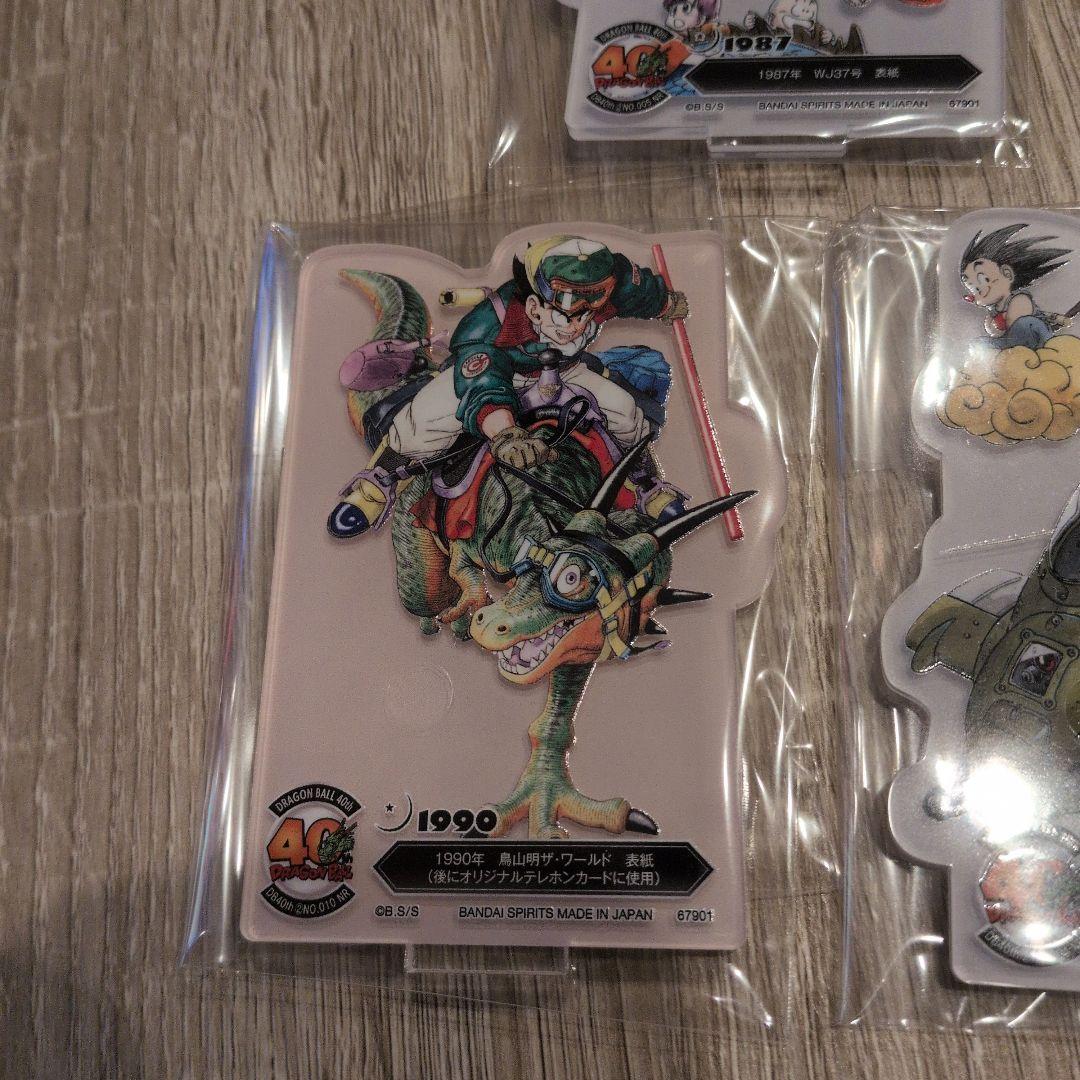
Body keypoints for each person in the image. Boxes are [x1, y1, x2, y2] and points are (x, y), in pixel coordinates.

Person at [328, 236, 690, 539]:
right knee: (420, 422)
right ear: (534, 306)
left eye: (591, 307)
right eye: (566, 308)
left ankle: (645, 483)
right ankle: (376, 484)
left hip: (566, 371)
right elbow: (482, 381)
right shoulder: (489, 323)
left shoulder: (612, 283)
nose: (577, 326)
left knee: (626, 413)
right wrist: (506, 435)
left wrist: (666, 304)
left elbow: (640, 292)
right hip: (497, 376)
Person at [960, 224, 1074, 351]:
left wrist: (1000, 323)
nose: (979, 291)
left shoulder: (1019, 299)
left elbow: (1015, 324)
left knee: (1023, 323)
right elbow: (995, 331)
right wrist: (992, 326)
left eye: (983, 280)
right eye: (974, 289)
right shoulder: (994, 309)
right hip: (1012, 342)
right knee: (979, 344)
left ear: (1007, 274)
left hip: (1034, 336)